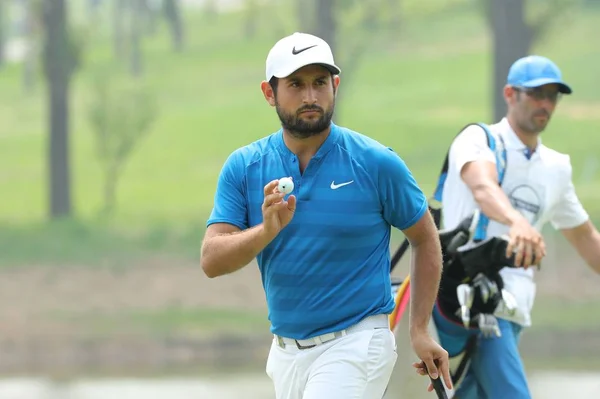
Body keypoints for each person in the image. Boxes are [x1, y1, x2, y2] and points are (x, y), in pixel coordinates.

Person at [200, 32, 452, 399]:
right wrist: (265, 231)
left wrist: (420, 330)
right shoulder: (244, 166)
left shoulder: (375, 162)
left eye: (320, 83)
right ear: (269, 94)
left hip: (357, 343)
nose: (310, 97)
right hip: (286, 353)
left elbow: (425, 237)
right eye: (296, 85)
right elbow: (211, 260)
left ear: (335, 85)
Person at [416, 55, 600, 398]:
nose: (545, 103)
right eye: (536, 93)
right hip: (469, 300)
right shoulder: (478, 139)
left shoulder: (557, 168)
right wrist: (517, 222)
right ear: (510, 94)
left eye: (552, 95)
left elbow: (586, 238)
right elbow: (483, 186)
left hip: (514, 313)